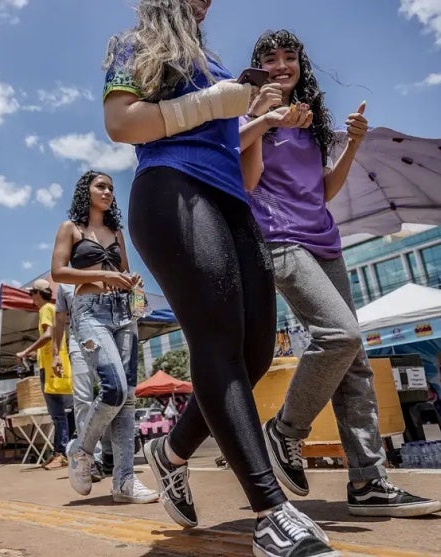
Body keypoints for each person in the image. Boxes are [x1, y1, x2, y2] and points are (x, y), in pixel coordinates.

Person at [102, 2, 336, 555]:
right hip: (171, 188)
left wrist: (259, 120)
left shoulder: (216, 64)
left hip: (232, 200)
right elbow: (121, 123)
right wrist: (219, 102)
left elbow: (244, 167)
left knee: (255, 354)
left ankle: (170, 453)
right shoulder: (134, 43)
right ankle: (271, 513)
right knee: (217, 345)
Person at [241, 29, 441, 518]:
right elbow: (246, 181)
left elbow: (324, 191)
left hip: (325, 241)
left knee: (354, 359)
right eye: (271, 58)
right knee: (340, 335)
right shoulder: (248, 115)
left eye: (290, 57)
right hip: (278, 239)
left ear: (301, 65)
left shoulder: (310, 122)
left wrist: (351, 144)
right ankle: (285, 430)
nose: (281, 65)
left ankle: (369, 481)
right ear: (259, 67)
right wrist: (264, 121)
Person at [50, 170, 158, 505]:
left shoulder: (116, 232)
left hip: (123, 313)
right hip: (89, 312)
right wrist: (102, 274)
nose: (108, 191)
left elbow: (123, 273)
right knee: (114, 389)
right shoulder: (71, 228)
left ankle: (124, 481)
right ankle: (82, 450)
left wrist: (132, 283)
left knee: (128, 398)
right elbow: (58, 272)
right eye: (101, 186)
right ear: (86, 191)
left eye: (111, 187)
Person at [54, 282, 112, 482]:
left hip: (106, 339)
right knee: (82, 400)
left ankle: (110, 453)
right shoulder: (64, 284)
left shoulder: (105, 274)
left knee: (113, 394)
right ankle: (90, 459)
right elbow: (59, 319)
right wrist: (56, 354)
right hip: (78, 342)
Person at [16, 279, 74, 469]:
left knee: (57, 414)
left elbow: (48, 335)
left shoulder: (45, 309)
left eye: (31, 293)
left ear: (38, 294)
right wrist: (36, 353)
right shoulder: (52, 308)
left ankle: (61, 452)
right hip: (56, 365)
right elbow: (51, 339)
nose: (31, 298)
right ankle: (61, 451)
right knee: (63, 412)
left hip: (50, 369)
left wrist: (25, 351)